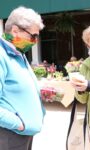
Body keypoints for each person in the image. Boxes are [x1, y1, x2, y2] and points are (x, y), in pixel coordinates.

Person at [0, 6, 45, 150]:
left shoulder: (18, 53)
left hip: (23, 132)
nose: (35, 41)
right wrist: (18, 124)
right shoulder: (2, 55)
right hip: (10, 133)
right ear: (15, 31)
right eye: (33, 36)